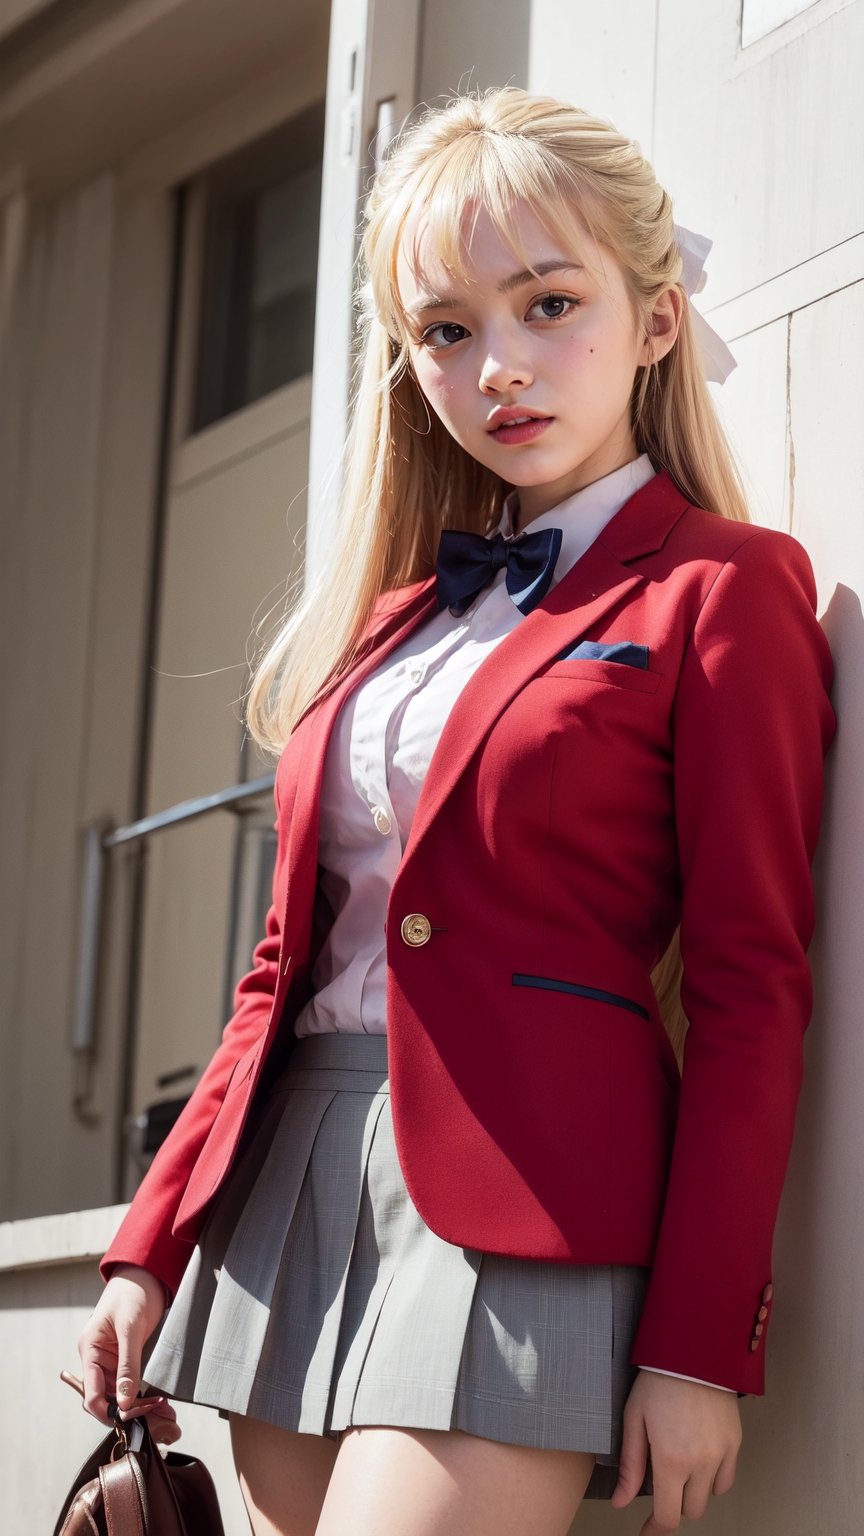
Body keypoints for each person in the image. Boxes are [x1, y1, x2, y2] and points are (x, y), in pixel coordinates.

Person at [76, 87, 836, 1536]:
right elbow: (275, 972)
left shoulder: (724, 590)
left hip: (532, 1192)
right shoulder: (388, 623)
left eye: (550, 303)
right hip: (296, 1179)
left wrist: (698, 1345)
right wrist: (150, 1245)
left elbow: (752, 989)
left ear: (656, 318)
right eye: (447, 332)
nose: (501, 367)